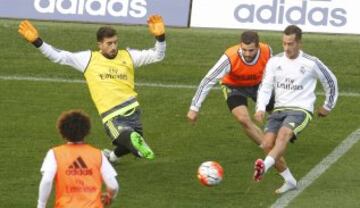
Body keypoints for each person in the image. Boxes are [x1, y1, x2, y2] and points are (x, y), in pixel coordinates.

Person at [18, 15, 166, 162]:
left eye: (115, 42)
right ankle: (131, 144)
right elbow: (59, 56)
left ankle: (111, 157)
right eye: (109, 43)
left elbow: (158, 56)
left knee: (128, 142)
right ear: (99, 45)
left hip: (133, 110)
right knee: (126, 137)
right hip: (112, 115)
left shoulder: (128, 56)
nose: (113, 47)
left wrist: (160, 38)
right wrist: (37, 41)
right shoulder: (88, 59)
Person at [186, 31, 297, 193]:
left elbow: (275, 72)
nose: (247, 53)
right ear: (240, 46)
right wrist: (194, 108)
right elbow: (208, 80)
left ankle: (285, 131)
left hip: (259, 85)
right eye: (244, 50)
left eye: (251, 50)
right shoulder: (230, 57)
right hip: (234, 87)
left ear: (257, 47)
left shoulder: (267, 51)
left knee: (280, 112)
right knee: (243, 119)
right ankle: (267, 146)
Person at [253, 25, 338, 193]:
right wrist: (260, 108)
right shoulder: (275, 61)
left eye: (290, 44)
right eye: (284, 43)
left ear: (299, 43)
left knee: (284, 135)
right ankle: (289, 180)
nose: (286, 48)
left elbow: (331, 81)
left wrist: (328, 105)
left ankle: (264, 166)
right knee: (266, 144)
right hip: (279, 110)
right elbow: (265, 87)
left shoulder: (311, 62)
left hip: (301, 109)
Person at [37, 109, 119, 208]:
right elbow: (113, 185)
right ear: (86, 131)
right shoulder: (98, 154)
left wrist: (41, 205)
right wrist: (110, 197)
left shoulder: (54, 154)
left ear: (62, 131)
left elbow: (47, 181)